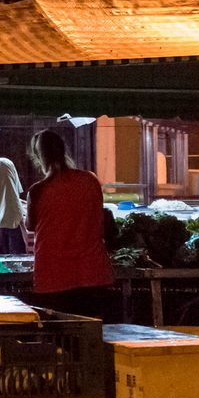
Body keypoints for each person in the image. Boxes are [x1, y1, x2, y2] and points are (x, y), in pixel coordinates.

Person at [25, 129, 117, 321]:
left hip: (54, 276)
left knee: (60, 332)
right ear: (63, 150)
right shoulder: (90, 180)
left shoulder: (38, 191)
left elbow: (30, 225)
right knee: (93, 331)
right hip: (93, 273)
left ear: (39, 157)